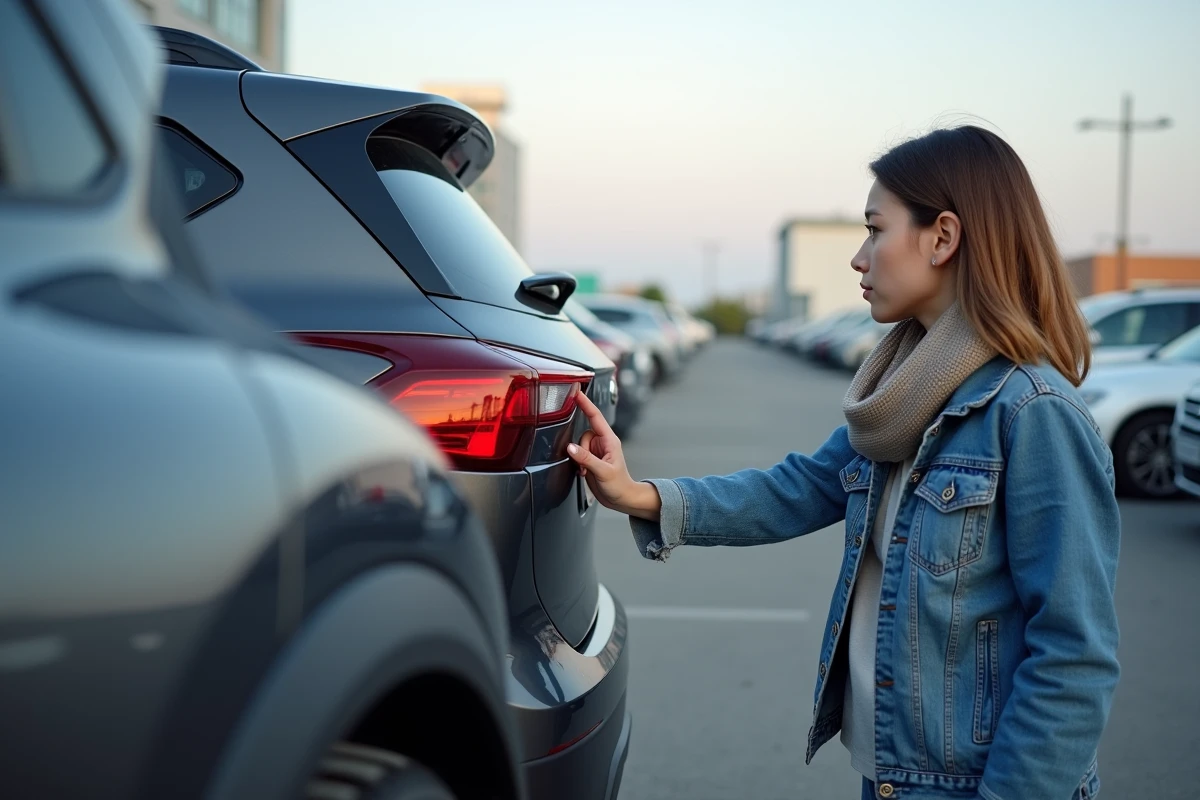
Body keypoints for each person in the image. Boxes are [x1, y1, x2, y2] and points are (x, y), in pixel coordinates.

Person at [567, 125, 1121, 800]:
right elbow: (798, 487)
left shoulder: (1033, 413)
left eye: (874, 230)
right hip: (892, 776)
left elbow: (1073, 656)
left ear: (943, 237)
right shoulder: (904, 394)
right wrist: (640, 494)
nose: (859, 259)